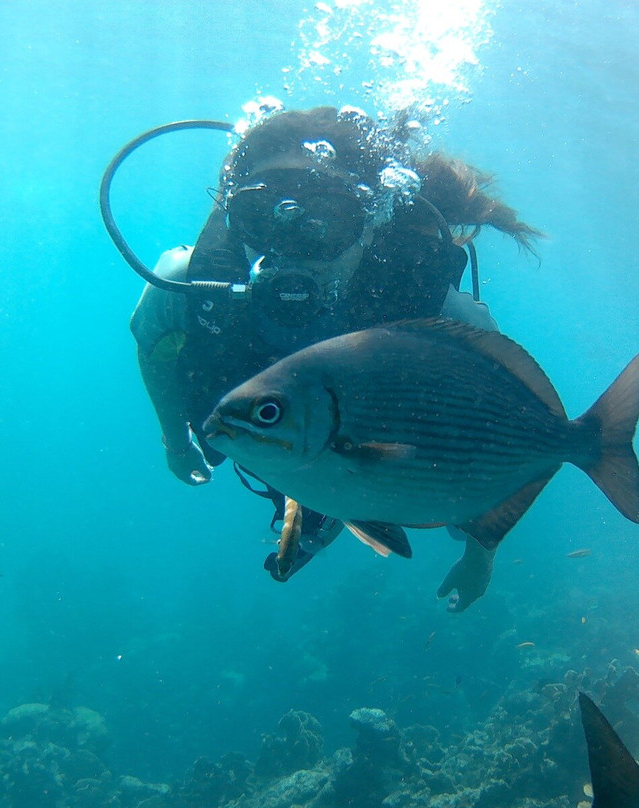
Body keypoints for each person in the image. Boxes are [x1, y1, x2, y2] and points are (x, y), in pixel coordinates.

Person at [127, 106, 540, 611]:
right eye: (262, 215)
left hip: (396, 451)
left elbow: (505, 416)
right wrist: (176, 439)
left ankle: (323, 518)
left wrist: (482, 552)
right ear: (234, 219)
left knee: (457, 523)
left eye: (326, 218)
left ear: (370, 222)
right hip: (290, 442)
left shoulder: (435, 308)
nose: (292, 245)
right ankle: (314, 516)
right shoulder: (184, 281)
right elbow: (153, 347)